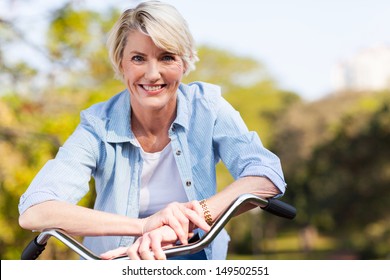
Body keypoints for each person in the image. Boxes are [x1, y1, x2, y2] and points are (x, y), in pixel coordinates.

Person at [18, 0, 286, 260]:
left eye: (166, 57)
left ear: (185, 61)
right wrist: (146, 226)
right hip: (116, 260)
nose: (152, 74)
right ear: (121, 63)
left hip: (193, 252)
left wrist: (186, 221)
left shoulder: (208, 107)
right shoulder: (98, 125)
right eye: (138, 58)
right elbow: (34, 210)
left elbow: (265, 175)